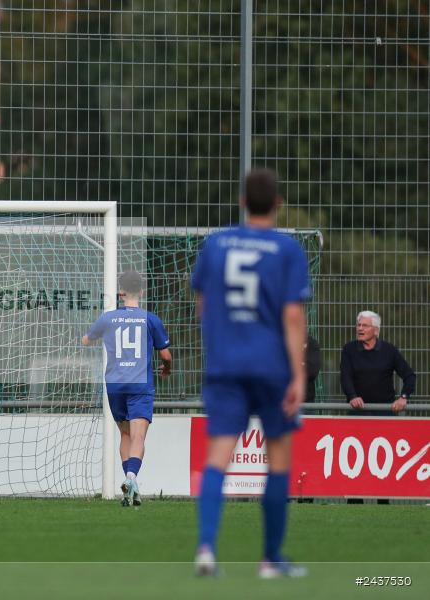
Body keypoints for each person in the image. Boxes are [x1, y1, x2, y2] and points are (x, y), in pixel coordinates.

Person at [190, 168, 310, 578]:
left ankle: (206, 549)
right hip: (271, 367)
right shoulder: (287, 249)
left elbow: (203, 306)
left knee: (217, 458)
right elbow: (293, 315)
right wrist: (297, 374)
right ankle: (270, 560)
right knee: (277, 460)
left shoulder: (216, 244)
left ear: (242, 202)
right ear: (278, 204)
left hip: (225, 365)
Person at [82, 269, 172, 507]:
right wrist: (167, 367)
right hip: (139, 382)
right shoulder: (150, 319)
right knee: (139, 436)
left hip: (115, 384)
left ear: (120, 292)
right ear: (142, 291)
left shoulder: (108, 318)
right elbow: (166, 355)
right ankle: (131, 477)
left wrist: (100, 337)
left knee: (125, 435)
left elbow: (86, 339)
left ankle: (130, 488)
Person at [340, 311, 415, 415]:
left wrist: (404, 397)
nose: (360, 328)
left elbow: (410, 376)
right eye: (358, 325)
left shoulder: (389, 350)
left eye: (365, 325)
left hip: (385, 412)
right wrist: (352, 396)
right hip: (357, 411)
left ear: (376, 330)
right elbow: (345, 377)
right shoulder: (349, 349)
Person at [305, 334, 322, 403]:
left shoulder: (311, 343)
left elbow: (312, 371)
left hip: (306, 399)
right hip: (280, 399)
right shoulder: (279, 340)